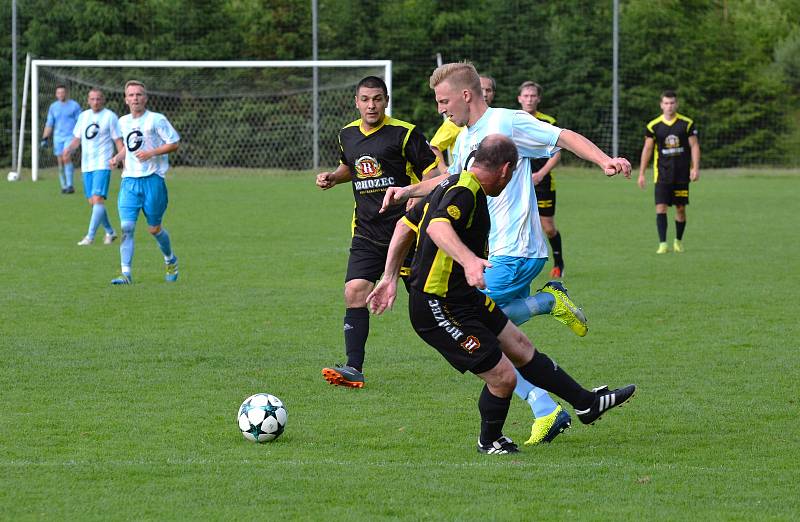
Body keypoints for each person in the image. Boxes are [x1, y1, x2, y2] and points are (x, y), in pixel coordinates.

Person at [382, 62, 632, 445]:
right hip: (488, 253)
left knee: (485, 338)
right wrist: (408, 192)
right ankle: (575, 403)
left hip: (511, 249)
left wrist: (603, 160)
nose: (441, 110)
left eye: (444, 101)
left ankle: (541, 395)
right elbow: (451, 183)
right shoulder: (466, 140)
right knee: (511, 341)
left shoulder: (506, 122)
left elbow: (561, 136)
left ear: (466, 94)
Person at [315, 76, 439, 388]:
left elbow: (434, 176)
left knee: (427, 306)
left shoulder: (405, 133)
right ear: (356, 102)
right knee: (354, 290)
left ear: (386, 101)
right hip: (366, 232)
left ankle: (477, 346)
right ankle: (353, 367)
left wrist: (414, 202)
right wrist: (334, 177)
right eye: (366, 99)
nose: (372, 105)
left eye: (377, 99)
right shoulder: (347, 135)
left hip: (406, 233)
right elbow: (352, 167)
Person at [109, 80, 181, 285]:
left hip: (153, 181)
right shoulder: (122, 122)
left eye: (139, 94)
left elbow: (174, 143)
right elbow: (129, 147)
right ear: (125, 99)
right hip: (129, 181)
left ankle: (170, 260)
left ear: (145, 98)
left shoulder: (156, 120)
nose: (135, 98)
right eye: (131, 95)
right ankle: (126, 274)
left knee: (154, 229)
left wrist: (151, 153)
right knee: (127, 227)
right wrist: (117, 158)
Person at [637, 90, 701, 254]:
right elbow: (648, 149)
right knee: (661, 207)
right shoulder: (653, 126)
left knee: (680, 208)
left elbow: (694, 146)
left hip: (681, 175)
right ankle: (663, 244)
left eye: (672, 103)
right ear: (661, 105)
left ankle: (678, 241)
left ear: (676, 104)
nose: (669, 106)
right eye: (666, 103)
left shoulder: (686, 124)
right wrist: (642, 173)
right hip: (662, 174)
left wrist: (695, 168)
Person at [62, 88, 124, 246]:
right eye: (92, 99)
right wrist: (68, 149)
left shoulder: (110, 117)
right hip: (86, 165)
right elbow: (77, 139)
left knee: (97, 199)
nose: (95, 102)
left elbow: (118, 142)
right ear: (88, 100)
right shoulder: (83, 116)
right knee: (94, 202)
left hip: (103, 164)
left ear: (103, 100)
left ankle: (89, 237)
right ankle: (110, 232)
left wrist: (122, 161)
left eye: (98, 99)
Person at [518, 81, 564, 277]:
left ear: (538, 99)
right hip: (519, 183)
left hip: (543, 182)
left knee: (548, 227)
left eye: (532, 96)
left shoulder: (548, 122)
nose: (529, 99)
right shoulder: (513, 120)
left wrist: (541, 174)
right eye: (525, 96)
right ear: (519, 98)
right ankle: (521, 264)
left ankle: (559, 262)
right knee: (520, 224)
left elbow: (557, 153)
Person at [430, 75, 496, 175]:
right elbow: (434, 146)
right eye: (481, 89)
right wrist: (444, 169)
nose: (484, 94)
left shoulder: (498, 118)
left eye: (488, 90)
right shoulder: (453, 120)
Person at [42, 85, 82, 194]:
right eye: (58, 93)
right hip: (57, 137)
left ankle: (70, 185)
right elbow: (49, 123)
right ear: (56, 94)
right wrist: (45, 138)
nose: (61, 95)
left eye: (62, 92)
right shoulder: (53, 107)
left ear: (66, 93)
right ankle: (64, 186)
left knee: (66, 156)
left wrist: (78, 137)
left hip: (70, 136)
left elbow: (80, 122)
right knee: (60, 161)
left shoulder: (74, 106)